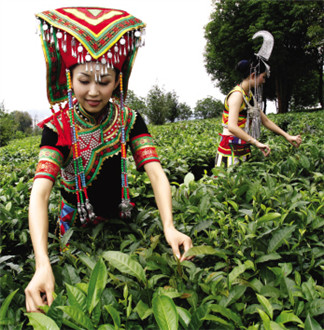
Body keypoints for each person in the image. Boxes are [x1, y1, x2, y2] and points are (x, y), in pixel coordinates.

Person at [25, 7, 193, 313]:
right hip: (73, 227)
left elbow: (155, 172)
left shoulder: (129, 118)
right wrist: (41, 263)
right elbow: (40, 193)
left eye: (103, 82)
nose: (93, 91)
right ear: (70, 78)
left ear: (117, 81)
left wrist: (169, 226)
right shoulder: (58, 127)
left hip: (122, 221)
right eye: (84, 80)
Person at [215, 31, 302, 167]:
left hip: (243, 146)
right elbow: (232, 126)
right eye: (263, 76)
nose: (264, 81)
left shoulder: (249, 95)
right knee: (230, 184)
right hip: (229, 149)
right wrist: (256, 142)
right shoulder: (237, 95)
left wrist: (287, 136)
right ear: (253, 75)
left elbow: (265, 120)